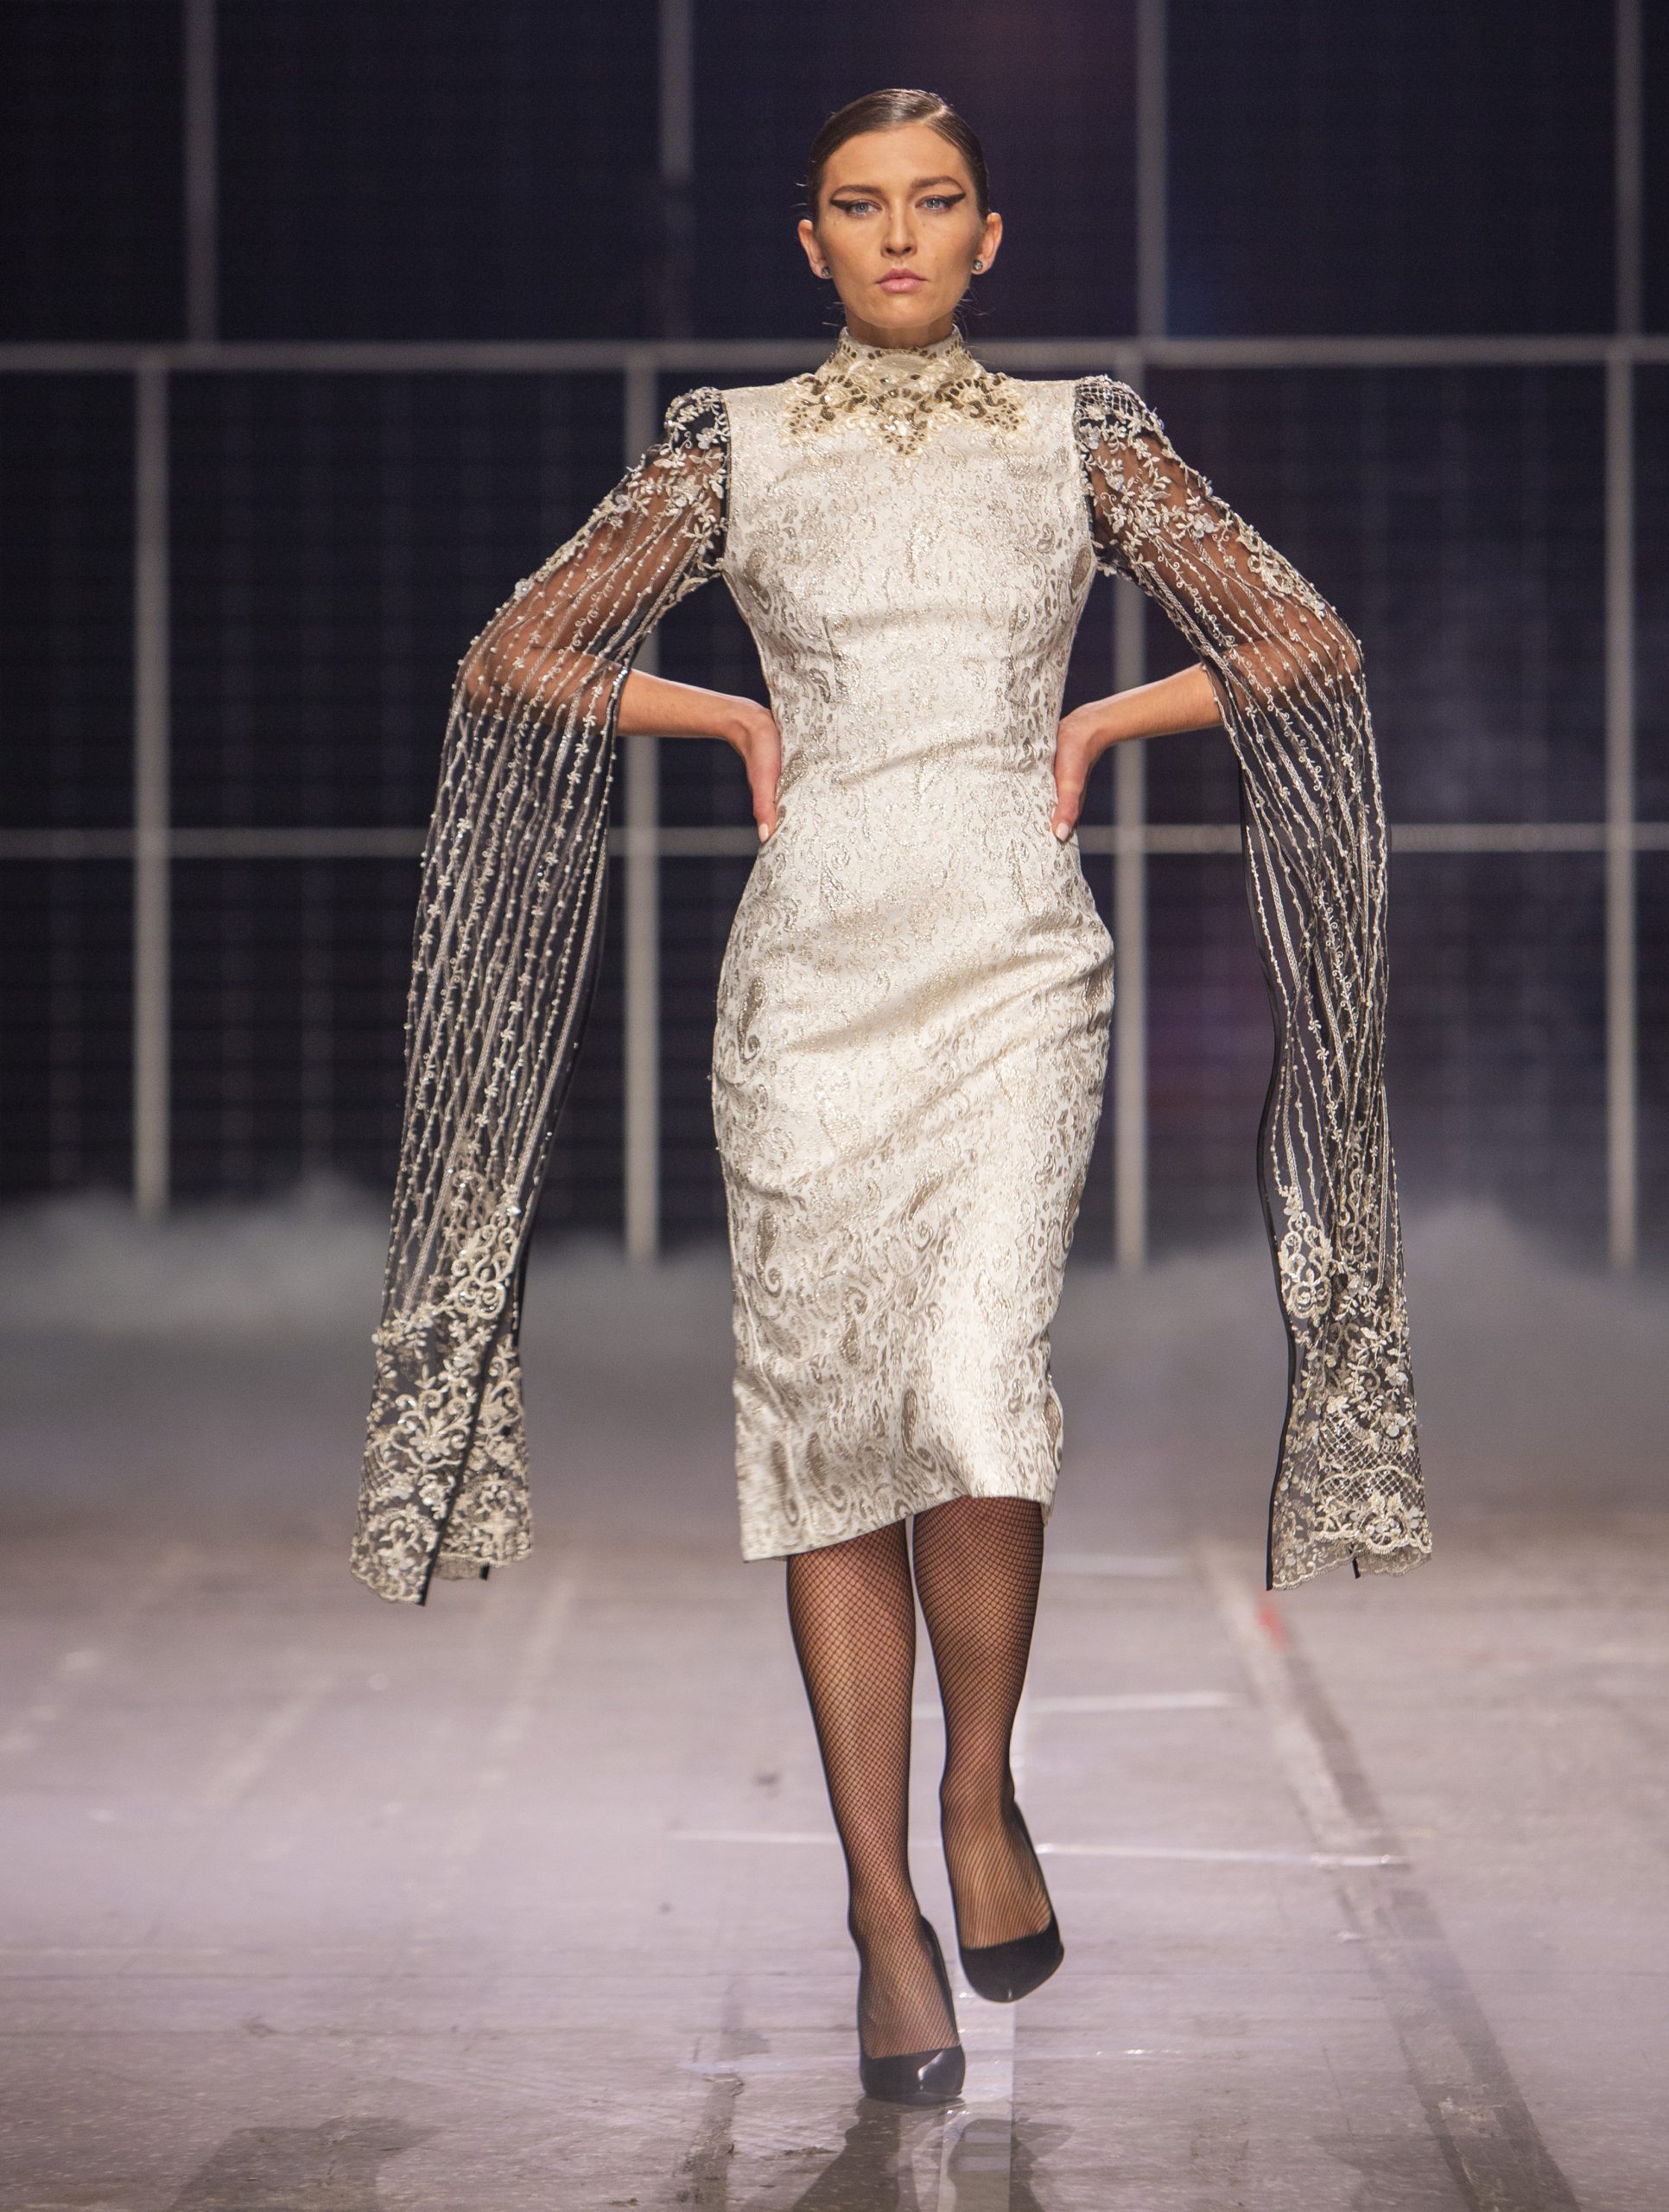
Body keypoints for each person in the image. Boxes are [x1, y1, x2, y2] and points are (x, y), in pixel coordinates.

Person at [352, 89, 1429, 2104]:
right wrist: (725, 711)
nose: (902, 235)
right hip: (812, 988)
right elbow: (519, 658)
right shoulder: (733, 445)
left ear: (990, 236)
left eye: (936, 203)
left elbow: (1301, 642)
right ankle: (876, 1909)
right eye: (862, 206)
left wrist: (1094, 721)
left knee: (975, 1385)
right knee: (830, 1431)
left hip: (1014, 966)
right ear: (813, 240)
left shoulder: (1079, 435)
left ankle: (975, 1792)